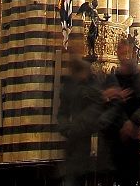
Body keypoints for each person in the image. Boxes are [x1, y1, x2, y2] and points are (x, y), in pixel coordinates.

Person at [100, 37, 140, 186]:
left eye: (127, 52)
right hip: (113, 138)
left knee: (129, 178)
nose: (125, 56)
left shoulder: (139, 77)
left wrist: (132, 123)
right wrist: (107, 96)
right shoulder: (112, 78)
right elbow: (101, 105)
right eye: (122, 52)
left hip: (131, 139)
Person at [57, 54, 104, 186]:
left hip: (85, 142)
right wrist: (66, 128)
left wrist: (78, 126)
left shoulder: (92, 88)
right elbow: (62, 112)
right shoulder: (70, 86)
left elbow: (97, 110)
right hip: (71, 143)